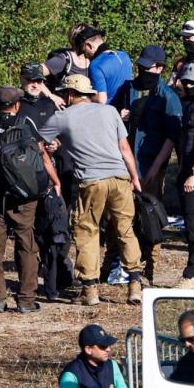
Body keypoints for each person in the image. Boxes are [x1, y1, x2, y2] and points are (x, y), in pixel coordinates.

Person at [39, 74, 144, 306]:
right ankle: (135, 284)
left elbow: (38, 143)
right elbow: (125, 148)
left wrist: (52, 168)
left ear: (69, 94)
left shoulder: (61, 117)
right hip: (119, 177)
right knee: (125, 229)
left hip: (91, 181)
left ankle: (90, 289)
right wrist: (135, 177)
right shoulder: (109, 111)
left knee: (87, 231)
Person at [0, 86, 60, 313]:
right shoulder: (25, 125)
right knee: (26, 244)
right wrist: (53, 181)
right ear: (17, 105)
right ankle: (25, 300)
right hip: (24, 197)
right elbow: (42, 153)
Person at [146, 63, 194, 289]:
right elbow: (174, 139)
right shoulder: (187, 105)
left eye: (192, 82)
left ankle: (192, 272)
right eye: (185, 82)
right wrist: (156, 170)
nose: (188, 86)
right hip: (187, 169)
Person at [124, 45, 182, 286]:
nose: (143, 70)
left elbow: (172, 136)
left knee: (150, 217)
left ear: (159, 68)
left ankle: (151, 266)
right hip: (127, 163)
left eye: (148, 67)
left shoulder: (168, 96)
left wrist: (156, 168)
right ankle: (127, 265)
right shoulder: (129, 88)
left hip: (151, 165)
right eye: (141, 66)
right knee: (125, 217)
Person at [20, 63, 76, 300]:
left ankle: (56, 281)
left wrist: (57, 144)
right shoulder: (16, 105)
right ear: (22, 80)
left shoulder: (50, 105)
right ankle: (34, 281)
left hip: (55, 175)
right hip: (27, 174)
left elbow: (63, 134)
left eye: (39, 80)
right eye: (30, 80)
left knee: (57, 231)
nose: (35, 84)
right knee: (34, 232)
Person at [76, 26, 134, 111]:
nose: (85, 56)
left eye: (84, 51)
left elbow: (101, 100)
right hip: (128, 112)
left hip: (111, 115)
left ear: (89, 45)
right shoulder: (124, 55)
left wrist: (85, 95)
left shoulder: (95, 65)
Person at [43, 23, 92, 107]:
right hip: (63, 111)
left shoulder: (94, 60)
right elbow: (33, 72)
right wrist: (51, 96)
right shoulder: (63, 60)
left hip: (85, 111)